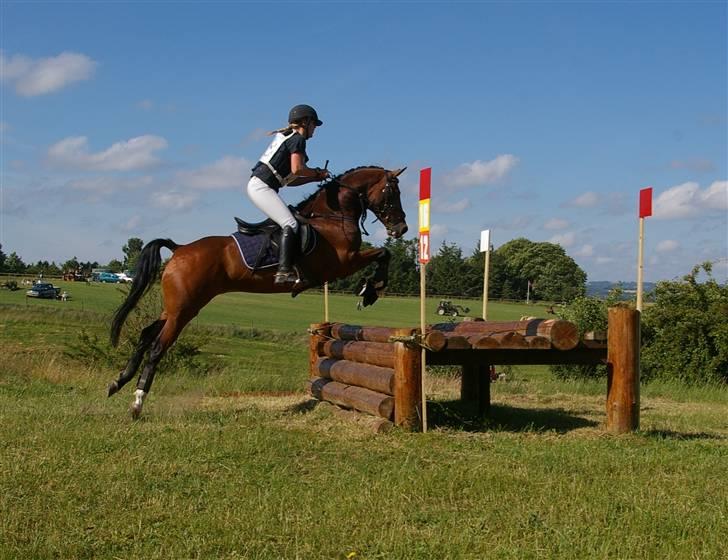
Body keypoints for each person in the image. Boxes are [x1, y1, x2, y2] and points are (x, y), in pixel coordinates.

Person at [247, 104, 330, 284]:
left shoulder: (290, 137)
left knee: (292, 221)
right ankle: (283, 271)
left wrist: (313, 179)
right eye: (314, 124)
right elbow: (298, 168)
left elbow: (291, 180)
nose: (315, 129)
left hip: (263, 186)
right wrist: (317, 173)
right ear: (305, 122)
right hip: (261, 187)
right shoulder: (298, 139)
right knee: (290, 223)